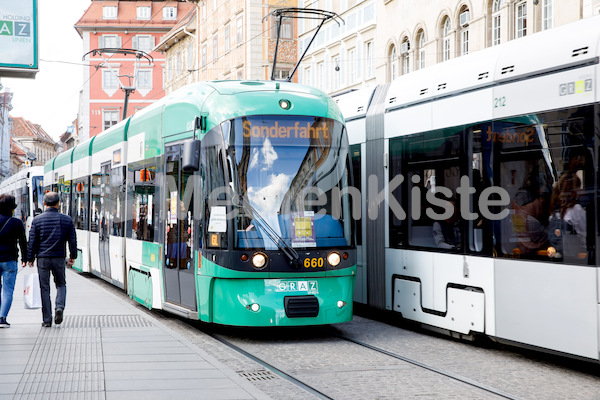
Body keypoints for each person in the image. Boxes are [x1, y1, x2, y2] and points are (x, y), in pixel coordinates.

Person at [27, 192, 77, 328]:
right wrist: (72, 256)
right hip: (59, 258)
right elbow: (72, 240)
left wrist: (29, 258)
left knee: (45, 288)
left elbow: (32, 241)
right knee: (61, 284)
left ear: (44, 203)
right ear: (58, 203)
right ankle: (59, 307)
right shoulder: (67, 220)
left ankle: (47, 319)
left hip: (42, 259)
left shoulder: (37, 220)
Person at [0, 194, 27, 328]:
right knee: (8, 290)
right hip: (10, 260)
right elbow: (23, 242)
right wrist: (26, 258)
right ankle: (2, 318)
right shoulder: (16, 222)